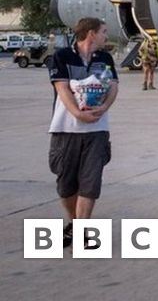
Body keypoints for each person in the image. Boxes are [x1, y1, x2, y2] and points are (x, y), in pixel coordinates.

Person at [48, 17, 119, 247]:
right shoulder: (62, 56)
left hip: (97, 130)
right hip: (66, 129)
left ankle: (80, 232)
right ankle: (73, 223)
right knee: (66, 184)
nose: (106, 36)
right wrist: (78, 114)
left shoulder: (105, 58)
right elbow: (62, 89)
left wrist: (104, 108)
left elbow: (113, 87)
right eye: (103, 31)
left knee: (90, 183)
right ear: (91, 33)